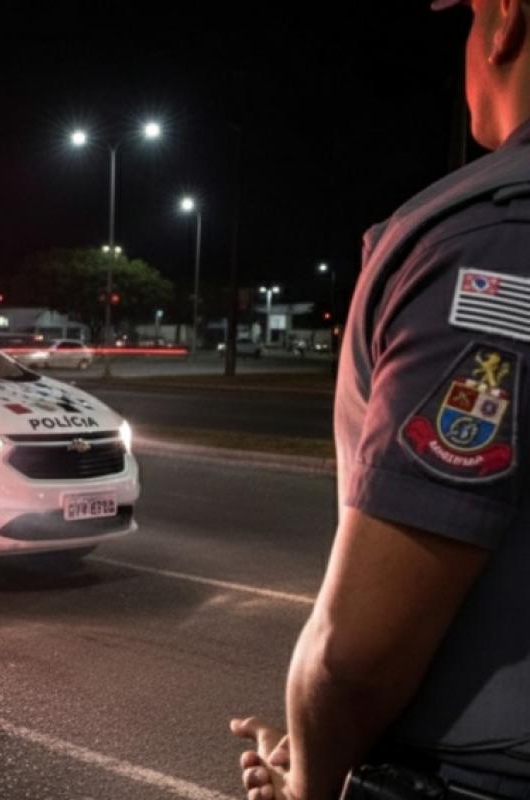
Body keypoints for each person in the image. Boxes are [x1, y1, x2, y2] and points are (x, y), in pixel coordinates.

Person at [231, 1, 530, 798]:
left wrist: (312, 780)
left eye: (468, 19)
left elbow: (355, 657)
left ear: (505, 22)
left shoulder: (491, 243)